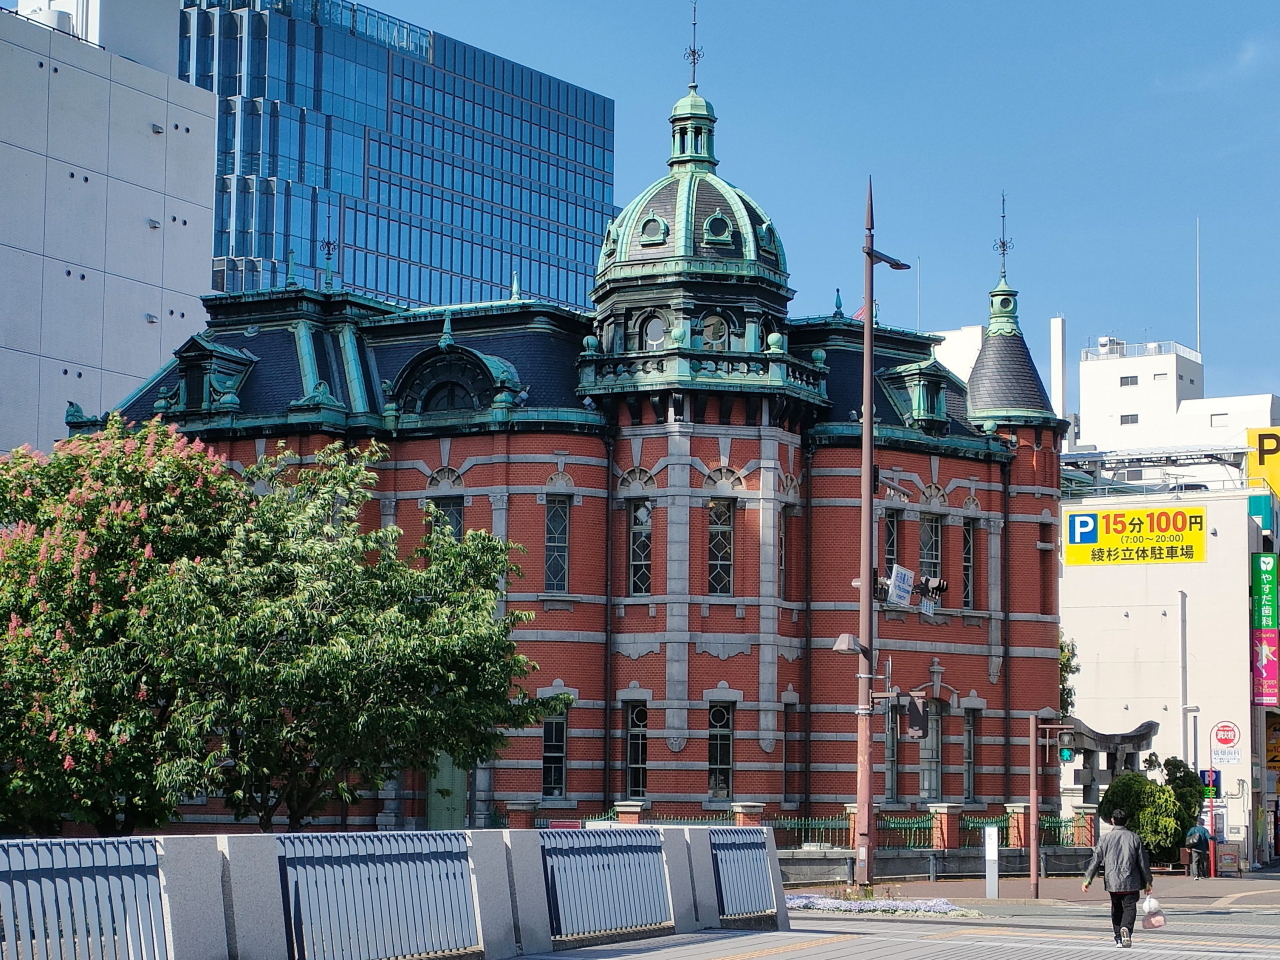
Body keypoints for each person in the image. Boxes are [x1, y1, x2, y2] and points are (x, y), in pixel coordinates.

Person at [1082, 808, 1153, 948]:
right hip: (1131, 879)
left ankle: (1118, 937)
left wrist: (1087, 879)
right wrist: (1147, 882)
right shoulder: (1134, 837)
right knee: (1130, 906)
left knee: (1116, 907)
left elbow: (1096, 860)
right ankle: (1126, 928)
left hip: (1112, 880)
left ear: (1112, 821)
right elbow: (1142, 862)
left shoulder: (1105, 839)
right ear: (1126, 821)